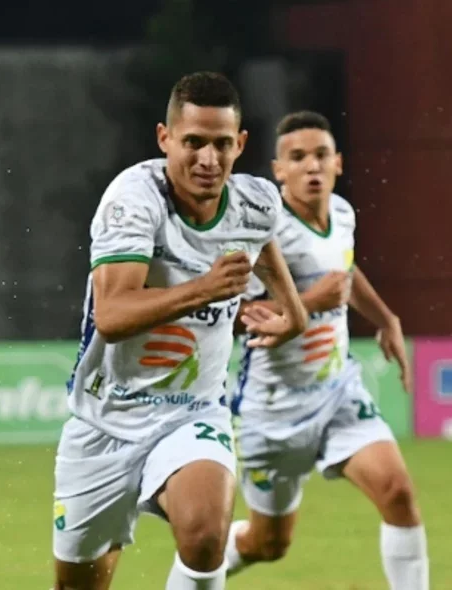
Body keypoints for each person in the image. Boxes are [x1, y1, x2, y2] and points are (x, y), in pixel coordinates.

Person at [53, 71, 309, 590]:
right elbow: (113, 315)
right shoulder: (132, 201)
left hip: (192, 414)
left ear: (240, 144)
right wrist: (203, 288)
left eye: (220, 144)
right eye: (192, 142)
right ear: (165, 138)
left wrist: (294, 312)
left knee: (205, 533)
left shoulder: (257, 202)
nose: (208, 160)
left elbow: (260, 242)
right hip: (106, 421)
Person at [223, 111, 427, 589]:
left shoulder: (342, 214)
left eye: (320, 156)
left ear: (338, 163)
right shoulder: (262, 232)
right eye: (297, 158)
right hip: (271, 409)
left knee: (397, 493)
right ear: (278, 170)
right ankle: (201, 563)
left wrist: (387, 319)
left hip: (337, 391)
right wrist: (310, 302)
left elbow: (345, 277)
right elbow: (233, 315)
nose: (310, 166)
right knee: (268, 545)